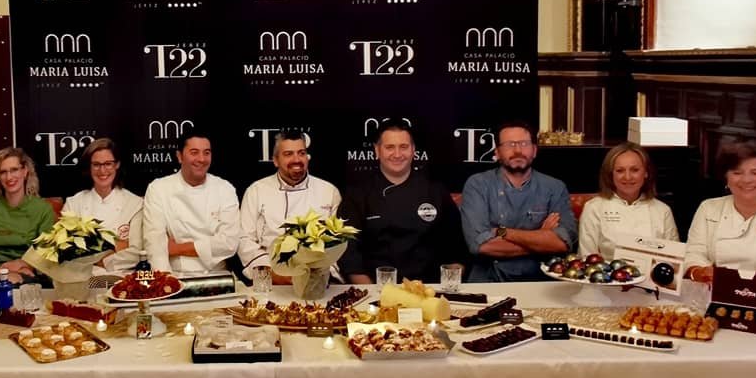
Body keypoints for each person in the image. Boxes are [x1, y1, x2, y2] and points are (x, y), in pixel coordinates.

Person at [340, 120, 465, 284]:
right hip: (376, 289)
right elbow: (349, 253)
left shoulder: (435, 191)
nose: (397, 154)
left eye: (404, 147)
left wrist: (446, 289)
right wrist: (370, 293)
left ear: (413, 150)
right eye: (389, 147)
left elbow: (456, 247)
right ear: (377, 150)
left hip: (428, 289)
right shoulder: (357, 194)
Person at [460, 119, 578, 281]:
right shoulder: (478, 184)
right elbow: (481, 246)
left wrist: (503, 232)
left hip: (541, 281)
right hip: (489, 280)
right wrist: (541, 237)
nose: (517, 150)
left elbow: (561, 244)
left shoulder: (555, 188)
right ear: (497, 152)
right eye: (510, 144)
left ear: (534, 150)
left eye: (524, 144)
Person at [238, 131, 342, 283]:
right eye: (288, 154)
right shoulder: (256, 191)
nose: (297, 160)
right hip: (270, 278)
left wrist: (315, 274)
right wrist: (274, 274)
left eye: (301, 153)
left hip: (317, 279)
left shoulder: (328, 191)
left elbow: (337, 243)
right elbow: (244, 239)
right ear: (275, 160)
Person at [142, 128, 240, 275]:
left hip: (217, 274)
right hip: (175, 274)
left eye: (206, 153)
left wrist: (177, 248)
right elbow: (155, 243)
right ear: (179, 156)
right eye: (194, 152)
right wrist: (165, 281)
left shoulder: (225, 189)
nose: (202, 159)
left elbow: (229, 243)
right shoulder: (158, 189)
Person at [0, 146, 55, 282]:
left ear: (25, 171)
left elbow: (46, 254)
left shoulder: (43, 209)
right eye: (3, 172)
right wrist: (2, 272)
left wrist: (25, 266)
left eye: (14, 170)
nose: (9, 177)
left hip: (30, 275)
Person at [578, 142, 678, 259]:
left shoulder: (663, 210)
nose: (627, 177)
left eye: (635, 170)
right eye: (620, 170)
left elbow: (674, 258)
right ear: (611, 174)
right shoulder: (594, 208)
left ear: (646, 173)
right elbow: (587, 257)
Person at [684, 141, 756, 283]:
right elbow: (694, 253)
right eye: (737, 173)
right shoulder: (709, 208)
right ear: (726, 178)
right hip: (713, 289)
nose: (746, 180)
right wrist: (700, 271)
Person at [63, 137, 143, 273]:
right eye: (96, 164)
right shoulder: (73, 204)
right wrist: (116, 246)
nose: (102, 170)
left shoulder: (134, 204)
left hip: (123, 277)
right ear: (89, 167)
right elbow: (67, 249)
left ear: (117, 165)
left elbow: (137, 252)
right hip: (83, 278)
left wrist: (102, 261)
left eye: (108, 164)